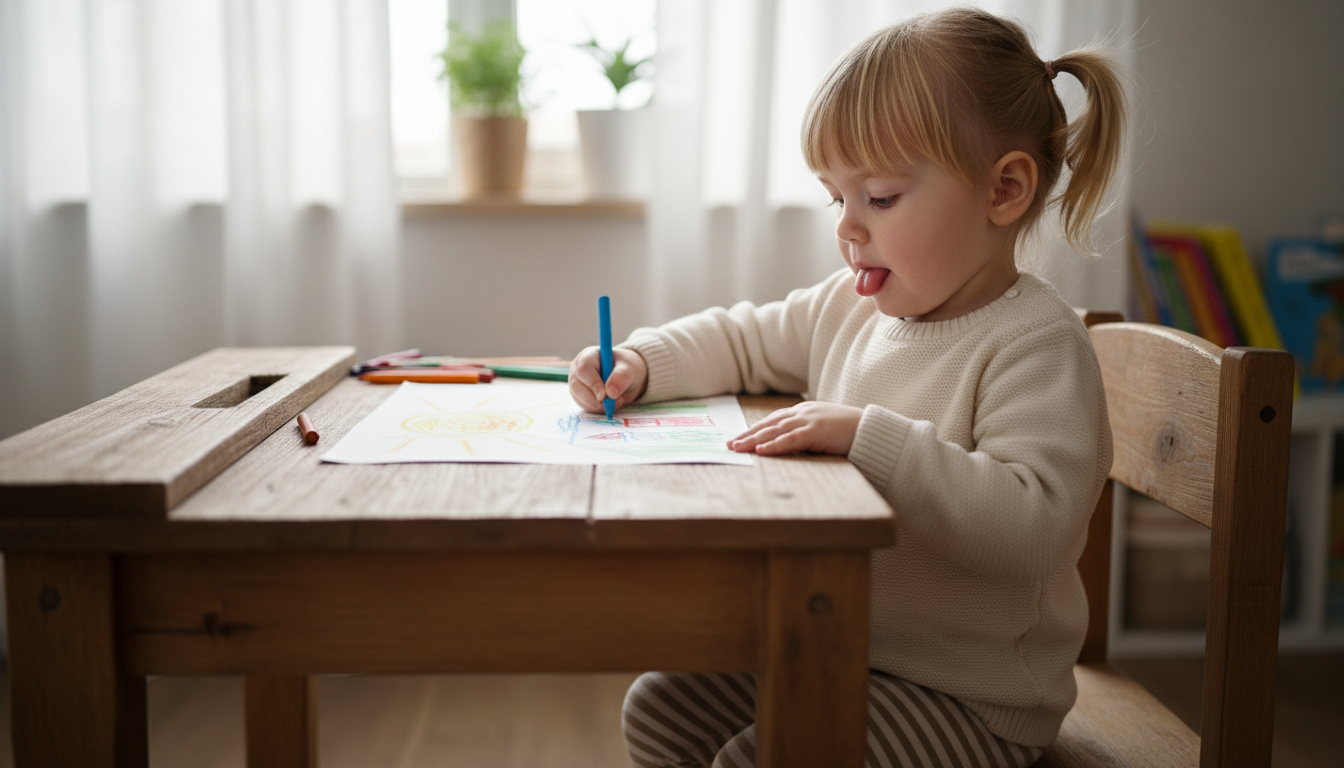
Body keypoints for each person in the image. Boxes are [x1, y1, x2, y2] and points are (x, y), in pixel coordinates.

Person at [568, 7, 1126, 767]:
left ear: (1004, 191)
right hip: (841, 645)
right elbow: (741, 339)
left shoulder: (1035, 343)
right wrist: (643, 362)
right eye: (838, 198)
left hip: (971, 698)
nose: (848, 228)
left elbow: (1035, 527)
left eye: (882, 198)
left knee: (764, 756)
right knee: (660, 710)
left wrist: (869, 435)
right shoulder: (850, 306)